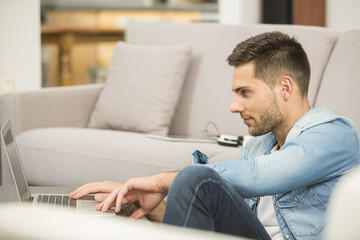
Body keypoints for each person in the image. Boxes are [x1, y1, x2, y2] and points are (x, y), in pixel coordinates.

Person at [69, 31, 360, 240]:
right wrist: (142, 196)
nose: (234, 107)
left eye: (245, 93)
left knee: (197, 177)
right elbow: (217, 195)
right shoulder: (259, 146)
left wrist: (161, 181)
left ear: (285, 88)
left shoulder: (335, 134)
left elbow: (260, 175)